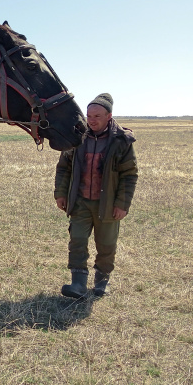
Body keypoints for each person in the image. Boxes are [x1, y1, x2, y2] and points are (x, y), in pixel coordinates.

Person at [54, 93, 138, 297]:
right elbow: (63, 167)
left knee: (106, 243)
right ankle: (78, 284)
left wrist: (122, 204)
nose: (91, 120)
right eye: (88, 115)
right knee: (77, 240)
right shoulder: (76, 137)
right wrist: (61, 193)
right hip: (80, 201)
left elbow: (129, 175)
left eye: (96, 116)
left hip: (107, 204)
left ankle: (102, 281)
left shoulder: (121, 141)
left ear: (109, 116)